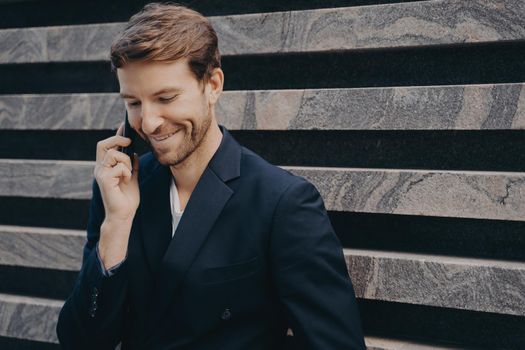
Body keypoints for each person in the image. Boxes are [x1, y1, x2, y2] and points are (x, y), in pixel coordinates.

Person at [56, 3, 365, 349]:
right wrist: (116, 225)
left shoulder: (282, 203)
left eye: (166, 97)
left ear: (213, 84)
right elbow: (79, 342)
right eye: (134, 103)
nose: (150, 121)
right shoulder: (120, 192)